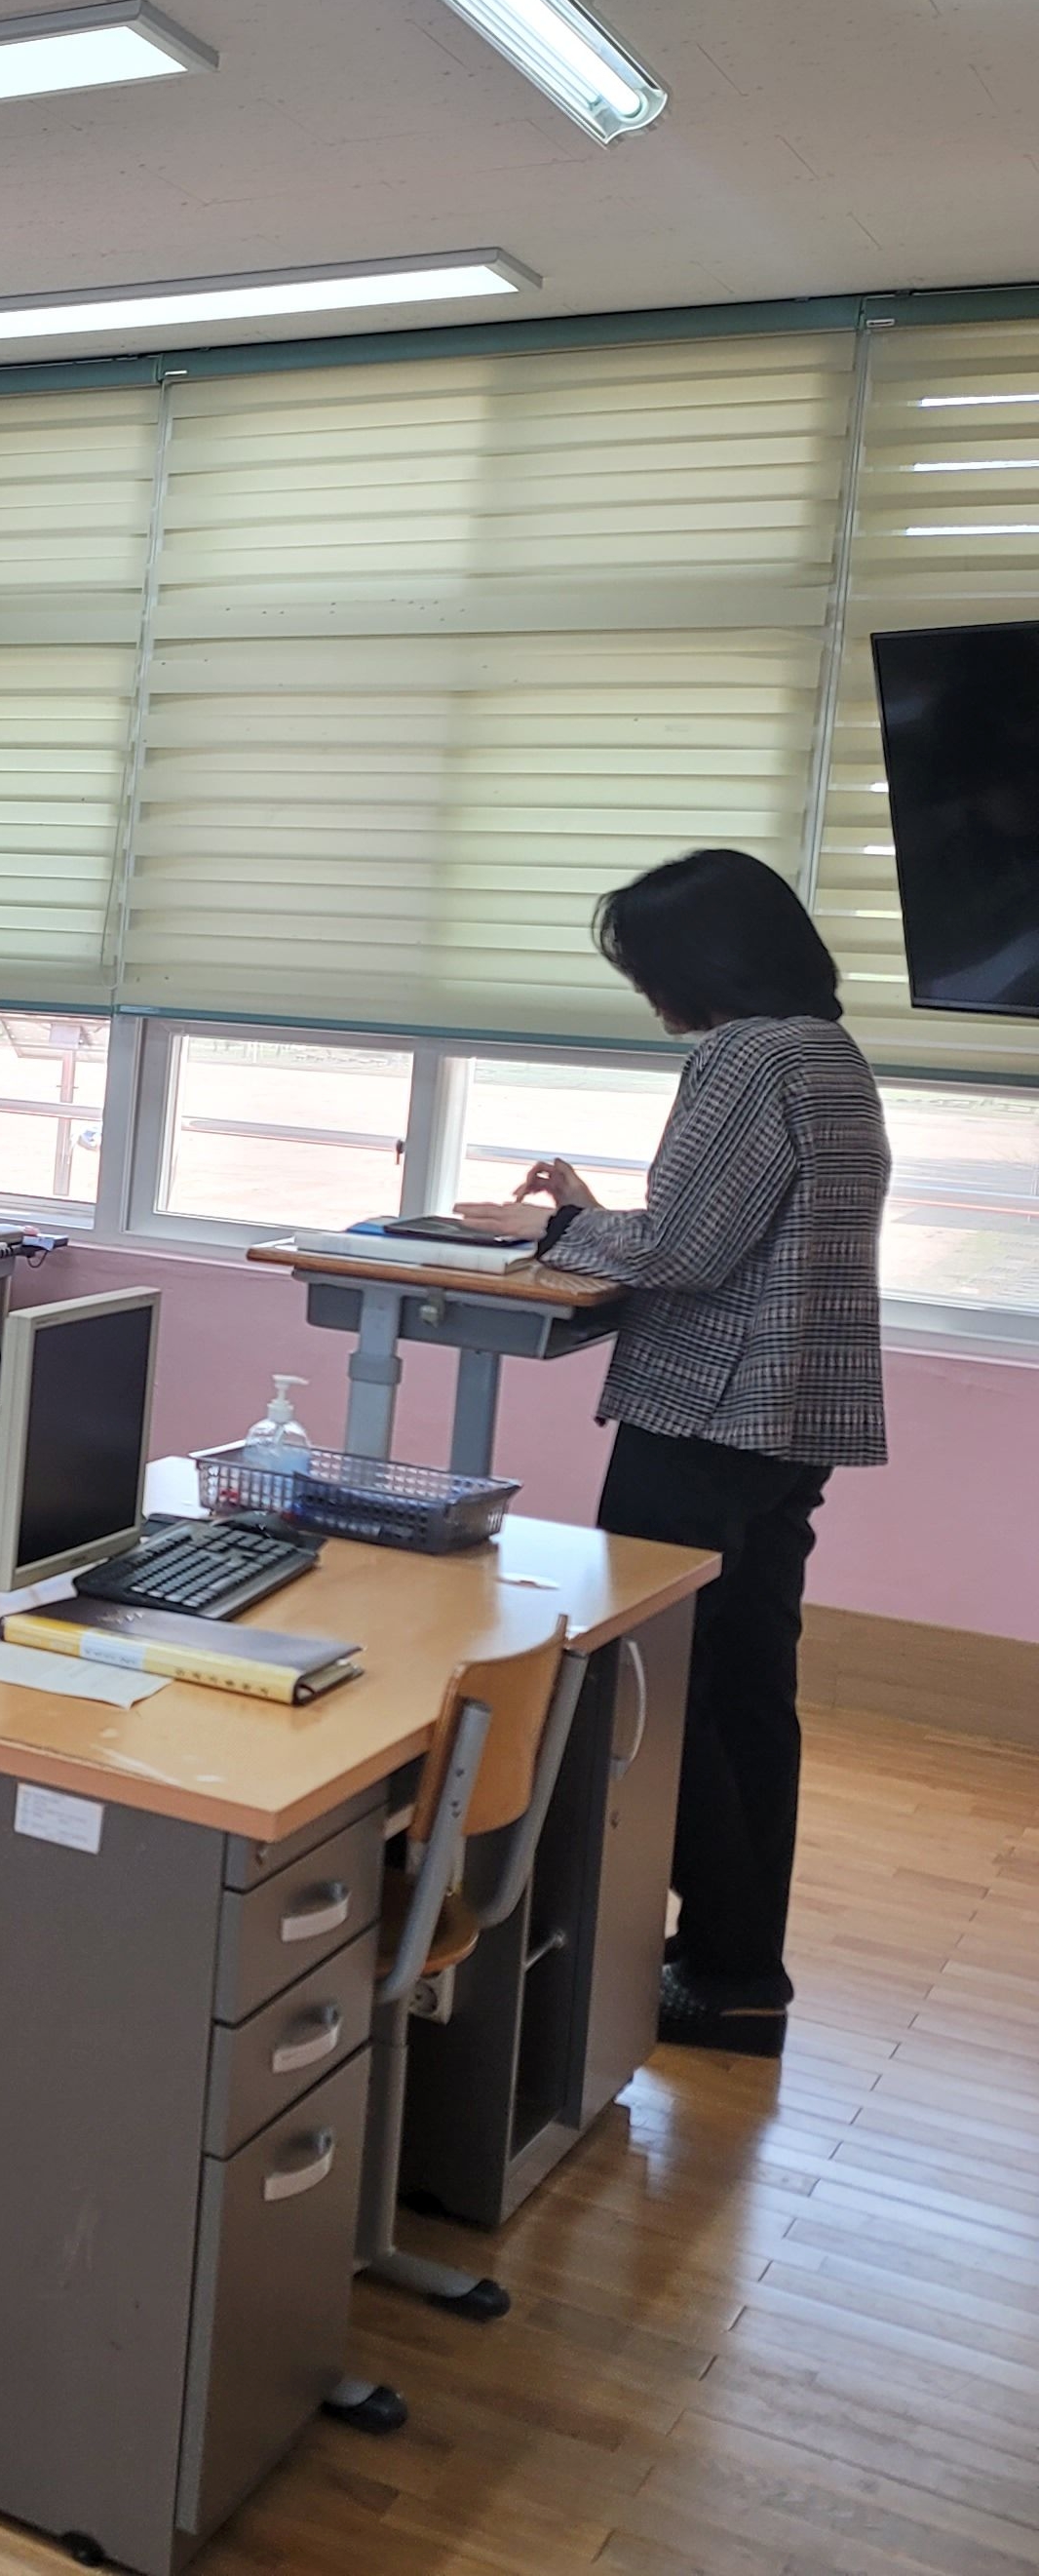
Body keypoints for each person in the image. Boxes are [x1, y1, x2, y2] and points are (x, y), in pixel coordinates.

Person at [455, 849, 889, 2061]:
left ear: (700, 963)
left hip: (710, 1412)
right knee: (748, 1690)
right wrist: (597, 1215)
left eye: (646, 967)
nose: (645, 991)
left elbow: (690, 1253)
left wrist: (551, 1227)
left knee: (649, 1684)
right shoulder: (827, 1051)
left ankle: (719, 1963)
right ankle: (735, 1965)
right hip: (791, 1417)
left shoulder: (742, 1057)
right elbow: (740, 1234)